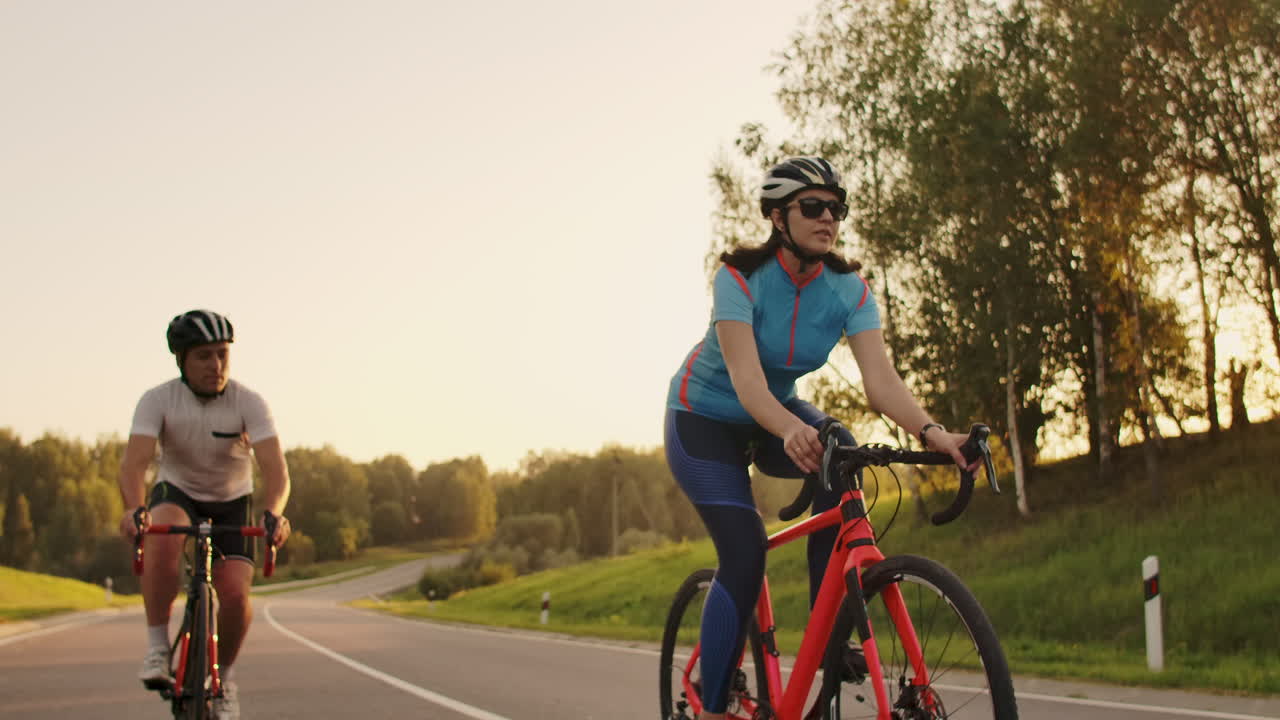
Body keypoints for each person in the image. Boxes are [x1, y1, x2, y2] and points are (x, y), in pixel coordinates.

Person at [663, 157, 980, 719]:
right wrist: (789, 429)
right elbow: (747, 381)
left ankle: (828, 634)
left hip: (774, 412)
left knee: (844, 450)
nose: (828, 217)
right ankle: (712, 708)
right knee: (744, 550)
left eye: (836, 208)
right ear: (778, 217)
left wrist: (934, 434)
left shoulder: (848, 290)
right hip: (703, 419)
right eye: (813, 206)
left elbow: (881, 384)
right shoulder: (737, 277)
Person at [118, 309, 292, 720]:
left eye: (222, 354)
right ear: (181, 360)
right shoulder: (157, 399)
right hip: (178, 491)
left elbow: (277, 471)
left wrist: (273, 514)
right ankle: (158, 649)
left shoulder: (249, 402)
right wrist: (134, 510)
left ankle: (225, 680)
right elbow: (134, 464)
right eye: (204, 356)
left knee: (235, 596)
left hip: (232, 499)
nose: (216, 365)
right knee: (160, 537)